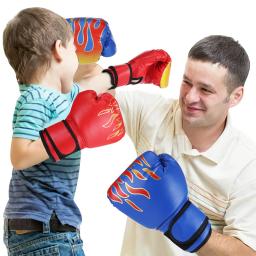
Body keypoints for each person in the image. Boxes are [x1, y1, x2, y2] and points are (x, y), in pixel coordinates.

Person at [2, 7, 169, 255]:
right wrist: (72, 134)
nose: (78, 59)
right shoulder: (34, 99)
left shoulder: (61, 96)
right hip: (44, 228)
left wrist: (133, 71)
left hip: (50, 227)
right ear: (60, 49)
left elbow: (94, 84)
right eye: (74, 50)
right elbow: (19, 155)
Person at [105, 35, 256, 255]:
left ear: (235, 97)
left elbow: (247, 251)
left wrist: (178, 220)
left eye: (205, 90)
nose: (190, 97)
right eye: (186, 82)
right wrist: (113, 71)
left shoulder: (247, 166)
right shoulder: (153, 114)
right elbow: (88, 97)